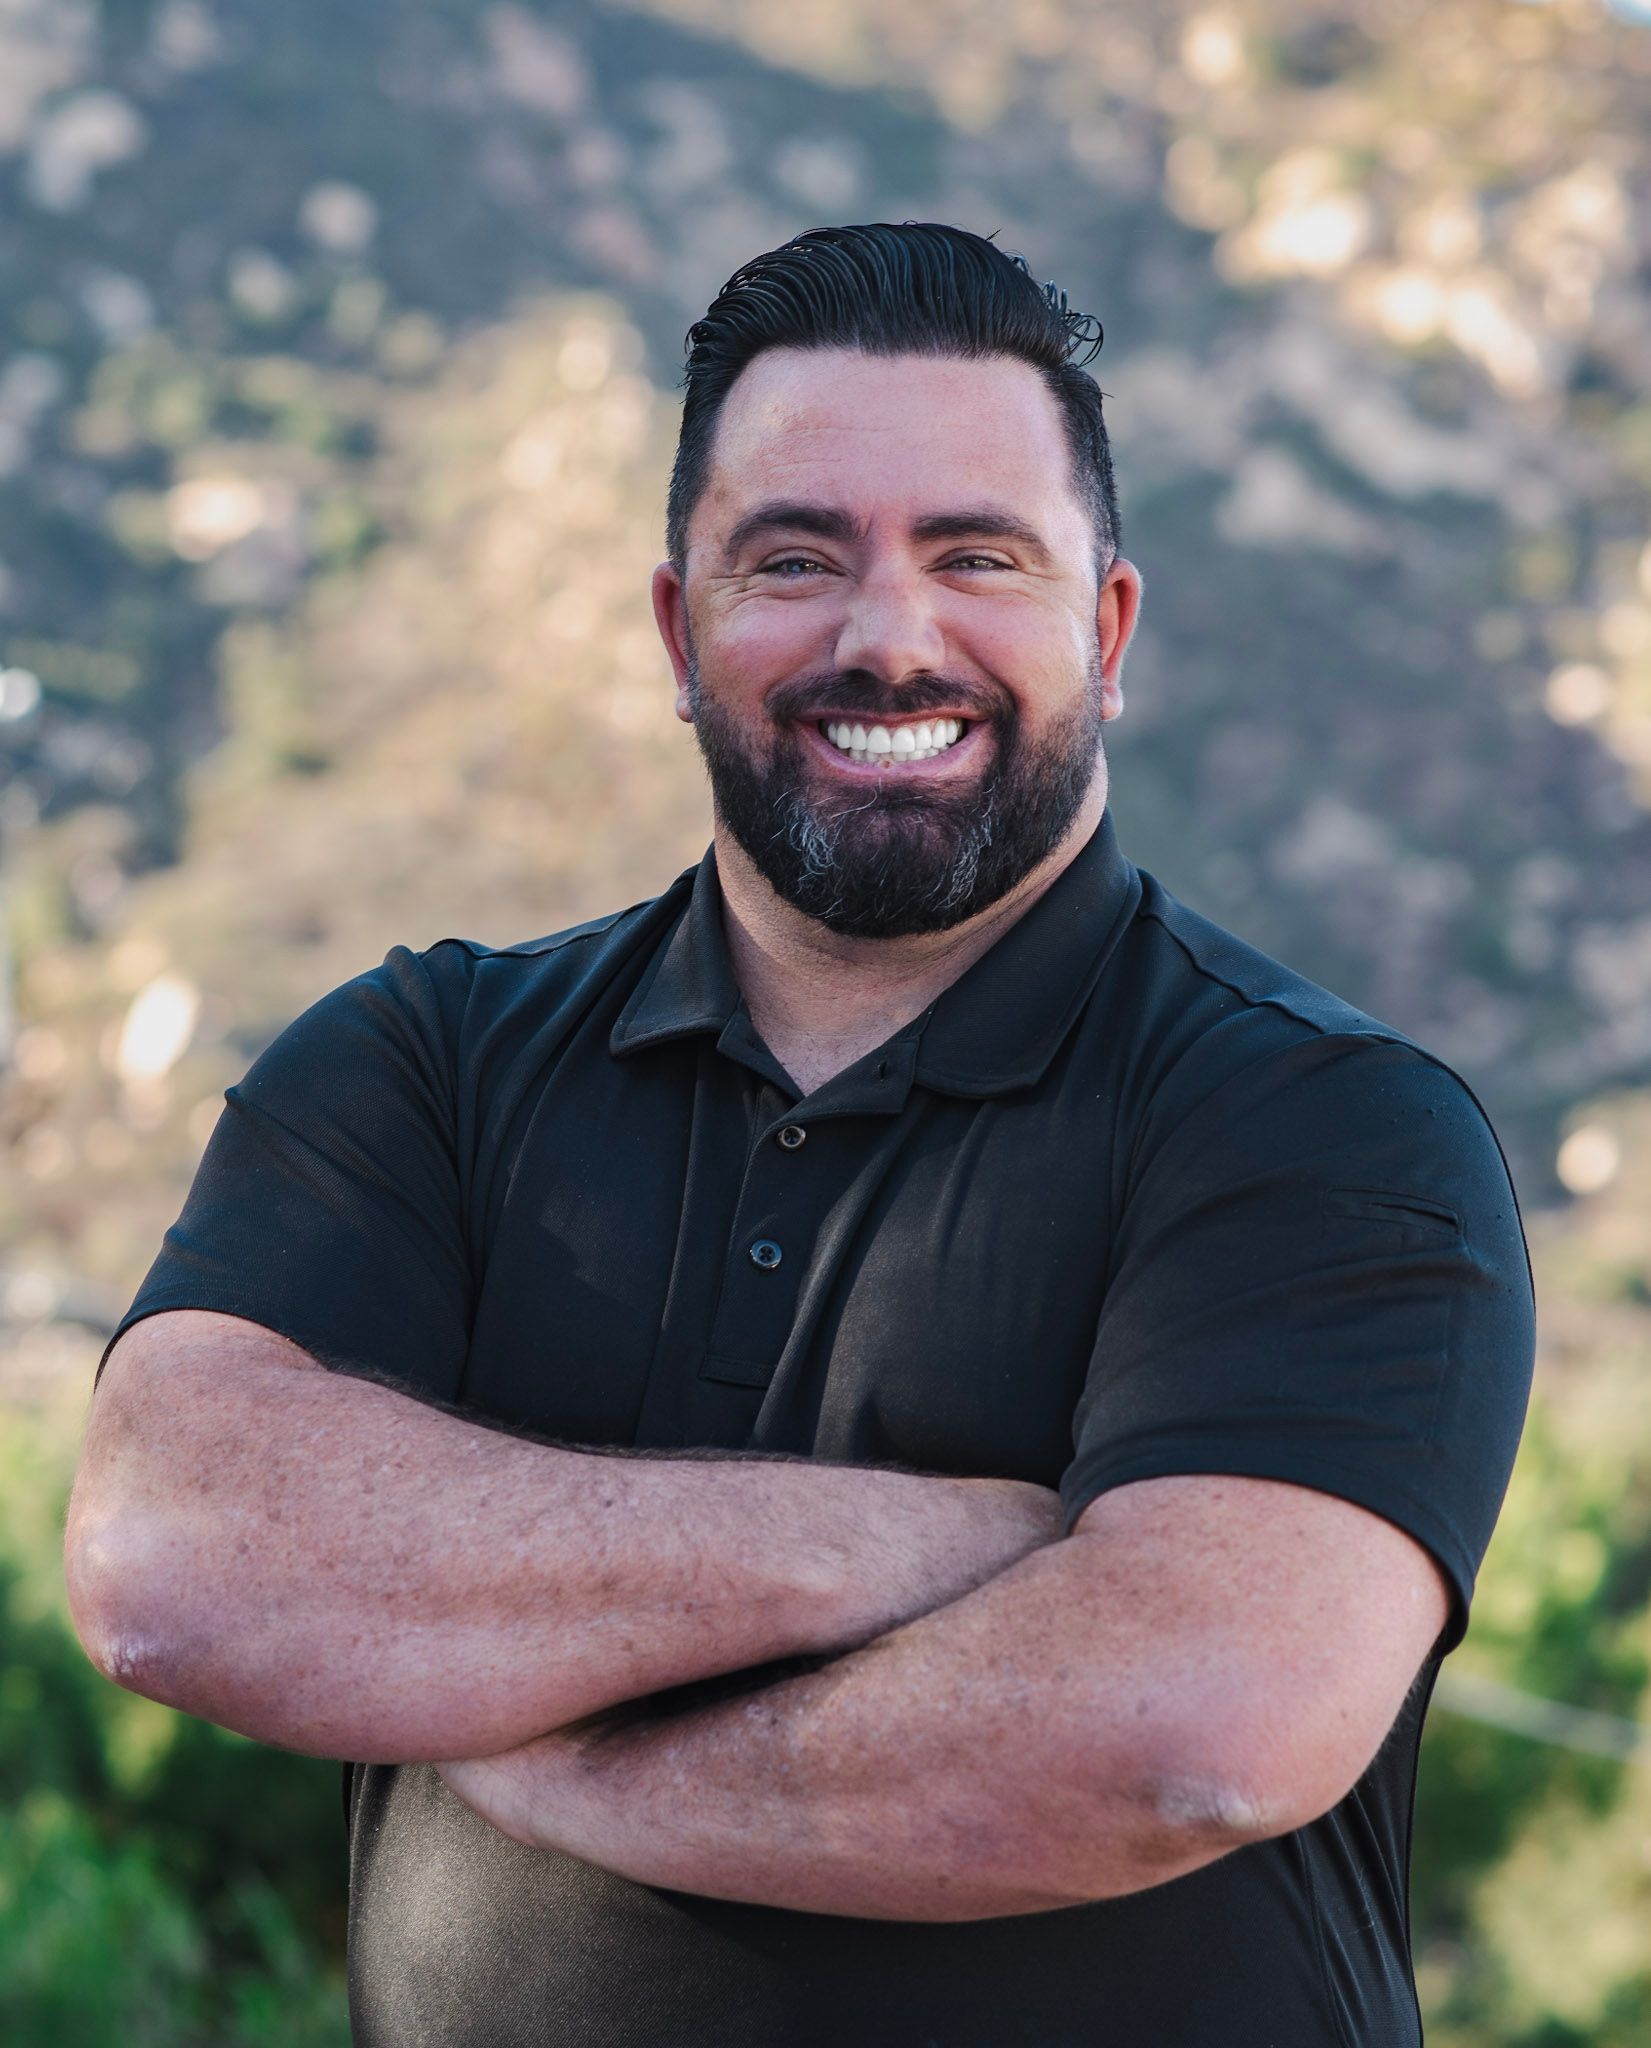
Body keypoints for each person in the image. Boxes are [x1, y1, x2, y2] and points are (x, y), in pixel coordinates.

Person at [64, 222, 1535, 2047]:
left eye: (976, 556)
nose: (888, 636)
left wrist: (543, 1742)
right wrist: (913, 1552)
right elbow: (178, 1563)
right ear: (682, 633)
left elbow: (1184, 1740)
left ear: (1109, 625)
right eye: (794, 559)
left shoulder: (1328, 1128)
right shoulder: (421, 1065)